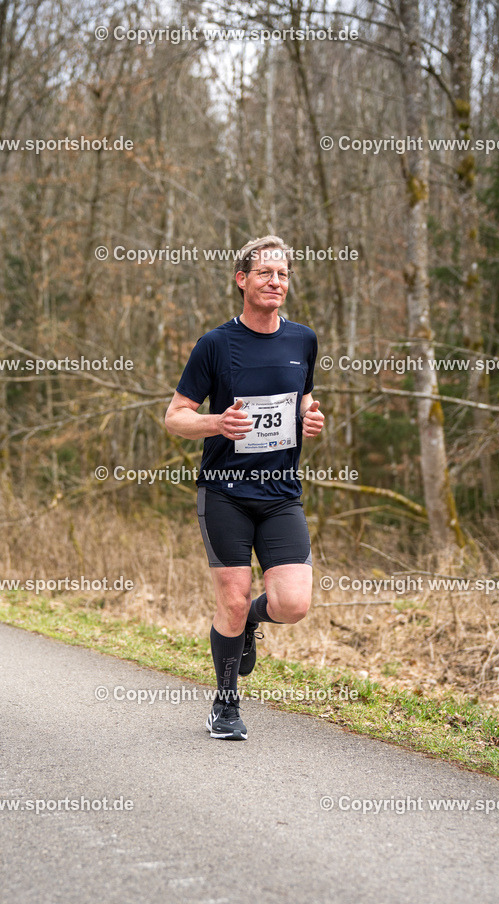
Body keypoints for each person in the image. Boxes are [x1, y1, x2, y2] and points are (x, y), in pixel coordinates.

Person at [164, 236, 325, 740]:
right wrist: (216, 425)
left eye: (283, 275)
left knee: (293, 604)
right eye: (265, 274)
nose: (276, 282)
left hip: (281, 494)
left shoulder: (303, 340)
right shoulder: (215, 344)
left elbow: (303, 397)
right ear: (242, 280)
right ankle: (226, 705)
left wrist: (310, 416)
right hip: (225, 492)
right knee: (231, 599)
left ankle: (253, 622)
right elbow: (175, 417)